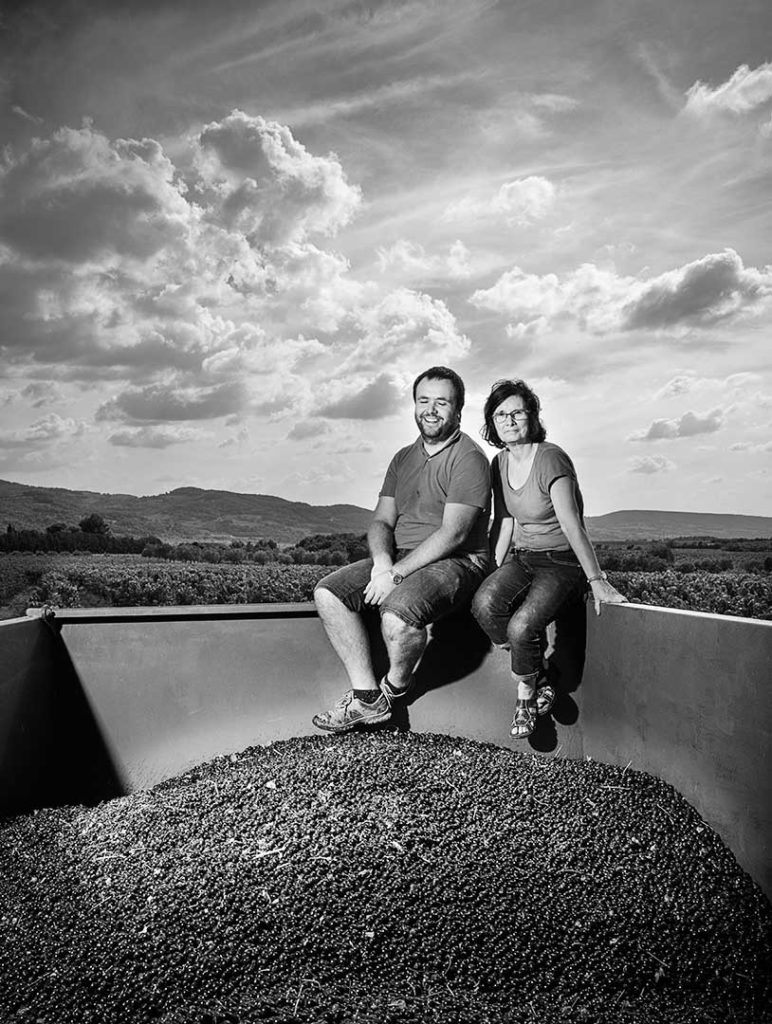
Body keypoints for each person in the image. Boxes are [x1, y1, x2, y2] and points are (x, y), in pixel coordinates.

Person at [312, 366, 491, 733]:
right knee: (329, 594)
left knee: (396, 615)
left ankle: (393, 690)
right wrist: (381, 563)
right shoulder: (402, 459)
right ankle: (366, 700)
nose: (431, 409)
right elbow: (381, 522)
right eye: (424, 400)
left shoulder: (470, 458)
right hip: (402, 556)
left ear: (458, 409)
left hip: (458, 561)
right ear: (414, 405)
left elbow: (453, 535)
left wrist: (396, 574)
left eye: (442, 402)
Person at [471, 378, 627, 740]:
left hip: (562, 562)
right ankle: (540, 674)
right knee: (484, 604)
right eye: (499, 415)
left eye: (516, 412)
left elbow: (573, 524)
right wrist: (492, 572)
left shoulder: (551, 457)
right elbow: (505, 521)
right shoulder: (500, 462)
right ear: (491, 423)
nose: (508, 421)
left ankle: (525, 694)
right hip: (525, 559)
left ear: (532, 416)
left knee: (522, 627)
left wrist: (596, 579)